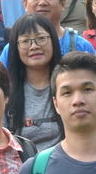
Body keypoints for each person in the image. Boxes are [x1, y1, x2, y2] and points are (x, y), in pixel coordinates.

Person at [0, 0, 95, 65]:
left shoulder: (81, 46)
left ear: (63, 3)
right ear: (25, 4)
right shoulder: (12, 49)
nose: (42, 2)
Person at [5, 14, 64, 150]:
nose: (34, 46)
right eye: (26, 41)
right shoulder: (6, 92)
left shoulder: (69, 85)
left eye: (41, 38)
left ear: (53, 41)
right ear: (15, 47)